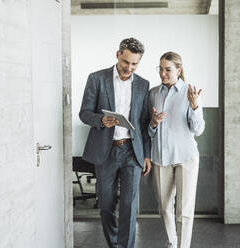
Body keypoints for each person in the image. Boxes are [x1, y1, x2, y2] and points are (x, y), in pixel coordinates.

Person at [79, 38, 151, 248]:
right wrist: (101, 120)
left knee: (129, 205)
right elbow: (84, 113)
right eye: (126, 61)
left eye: (134, 64)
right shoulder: (96, 79)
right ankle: (113, 244)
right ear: (117, 54)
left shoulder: (143, 84)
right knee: (106, 205)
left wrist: (146, 154)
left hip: (132, 150)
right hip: (106, 151)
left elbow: (144, 122)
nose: (129, 68)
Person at [148, 51, 205, 248]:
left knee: (184, 210)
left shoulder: (190, 91)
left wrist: (195, 107)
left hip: (186, 157)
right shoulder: (153, 94)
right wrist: (153, 123)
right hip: (161, 157)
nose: (163, 73)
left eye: (168, 69)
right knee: (164, 207)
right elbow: (149, 131)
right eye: (160, 69)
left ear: (179, 70)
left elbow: (197, 129)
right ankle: (172, 242)